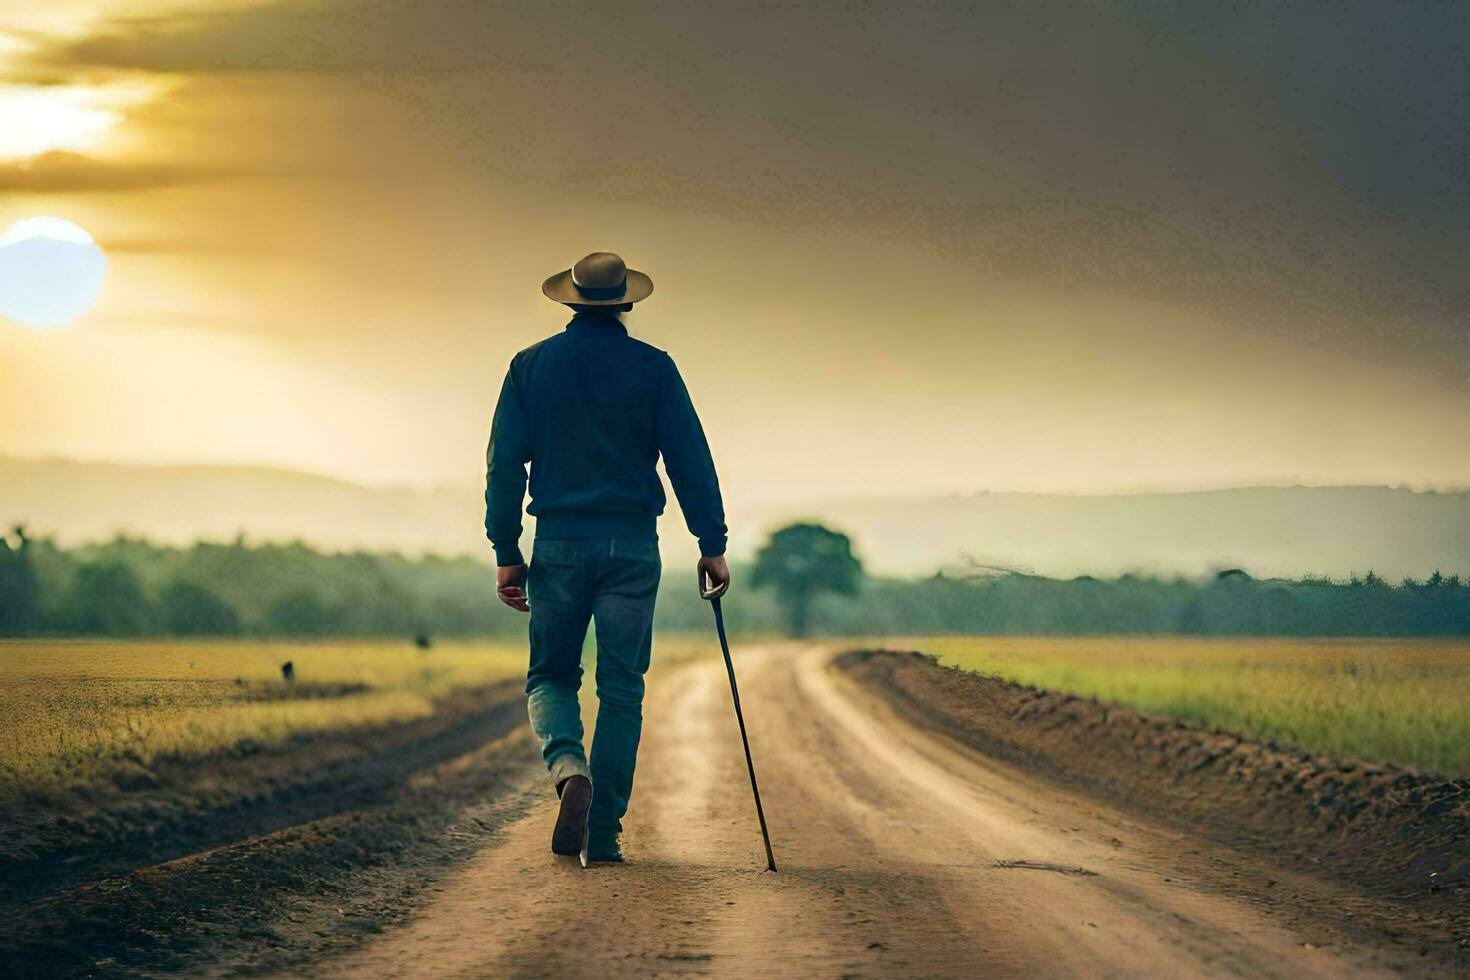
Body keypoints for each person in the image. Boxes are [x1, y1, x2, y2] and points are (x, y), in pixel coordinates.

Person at [484, 251, 730, 865]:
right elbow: (688, 459)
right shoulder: (654, 369)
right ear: (626, 303)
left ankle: (569, 769)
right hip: (631, 546)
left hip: (558, 544)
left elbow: (504, 463)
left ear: (569, 301)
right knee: (622, 689)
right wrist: (711, 543)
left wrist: (507, 549)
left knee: (550, 676)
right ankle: (604, 834)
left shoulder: (529, 367)